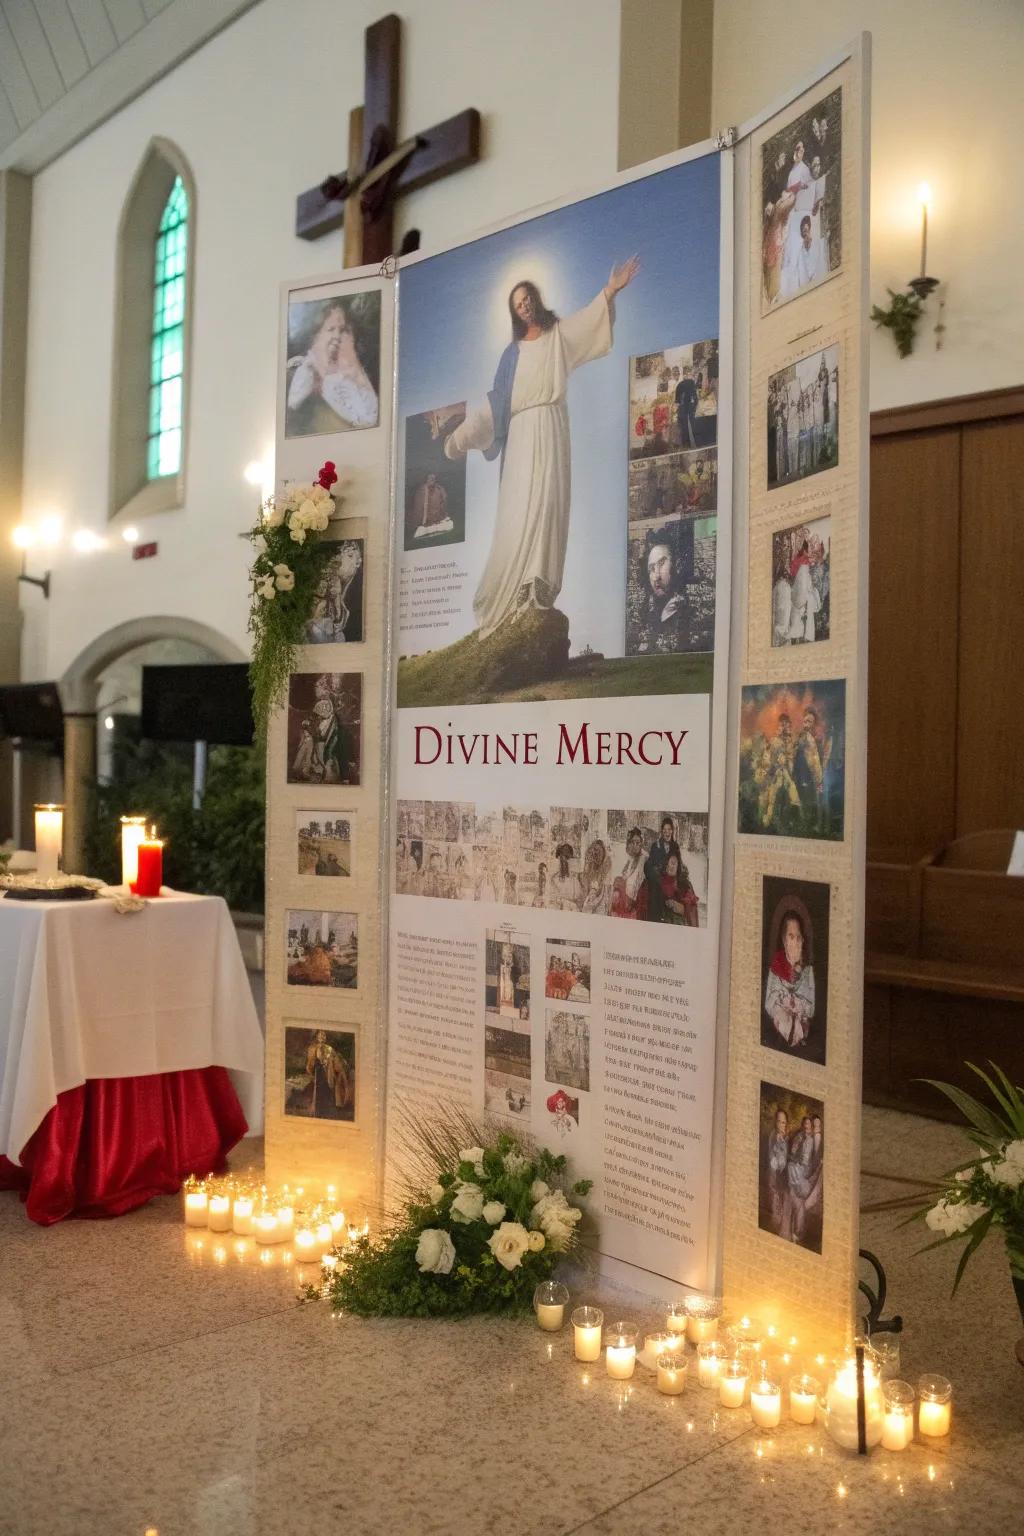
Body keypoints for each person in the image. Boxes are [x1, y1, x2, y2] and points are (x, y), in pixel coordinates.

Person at [445, 259, 640, 637]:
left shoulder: (557, 337)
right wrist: (459, 440)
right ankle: (509, 590)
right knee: (519, 511)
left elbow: (589, 322)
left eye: (528, 298)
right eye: (518, 304)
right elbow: (496, 403)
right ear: (514, 312)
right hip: (521, 435)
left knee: (550, 505)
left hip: (551, 429)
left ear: (536, 300)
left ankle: (537, 586)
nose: (525, 306)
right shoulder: (511, 354)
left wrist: (610, 290)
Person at [286, 300, 378, 433]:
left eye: (342, 330)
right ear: (316, 336)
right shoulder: (305, 371)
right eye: (330, 329)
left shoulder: (350, 374)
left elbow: (370, 419)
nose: (337, 336)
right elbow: (293, 408)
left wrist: (356, 372)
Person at [764, 909, 816, 1048]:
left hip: (802, 1033)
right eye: (791, 937)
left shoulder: (807, 971)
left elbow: (811, 1009)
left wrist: (797, 1004)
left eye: (798, 937)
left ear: (803, 940)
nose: (795, 942)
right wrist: (782, 1000)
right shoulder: (776, 966)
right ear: (784, 940)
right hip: (779, 1033)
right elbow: (769, 1005)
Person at [304, 1029, 352, 1118]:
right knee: (318, 1095)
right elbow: (310, 1064)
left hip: (328, 1075)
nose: (322, 1037)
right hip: (318, 1074)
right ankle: (318, 1113)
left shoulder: (330, 1049)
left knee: (328, 1093)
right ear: (317, 1036)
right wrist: (311, 1072)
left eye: (324, 1035)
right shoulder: (312, 1048)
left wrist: (340, 1069)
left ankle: (328, 1114)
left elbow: (337, 1064)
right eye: (320, 1035)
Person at [788, 540, 820, 643]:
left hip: (796, 594)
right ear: (805, 550)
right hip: (801, 594)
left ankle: (798, 636)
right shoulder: (804, 563)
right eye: (809, 548)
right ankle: (805, 636)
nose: (811, 551)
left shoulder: (798, 560)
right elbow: (805, 583)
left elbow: (794, 575)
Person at [612, 827, 646, 917]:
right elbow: (624, 876)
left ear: (641, 844)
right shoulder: (631, 858)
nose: (635, 845)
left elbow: (639, 883)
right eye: (632, 842)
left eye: (637, 843)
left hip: (634, 900)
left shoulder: (643, 859)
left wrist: (631, 901)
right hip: (625, 896)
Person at [766, 1108, 790, 1233]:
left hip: (784, 1177)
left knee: (784, 1201)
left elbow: (787, 1156)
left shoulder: (786, 1138)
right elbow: (773, 1159)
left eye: (784, 1122)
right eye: (779, 1121)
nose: (782, 1124)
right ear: (776, 1122)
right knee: (776, 1202)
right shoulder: (774, 1136)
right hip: (775, 1175)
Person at [411, 472, 452, 539]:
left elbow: (443, 503)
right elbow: (419, 507)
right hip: (425, 519)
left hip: (437, 516)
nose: (432, 480)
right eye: (430, 479)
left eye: (433, 479)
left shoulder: (439, 489)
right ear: (426, 480)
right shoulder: (422, 490)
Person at [579, 838, 612, 914]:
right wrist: (587, 863)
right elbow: (586, 881)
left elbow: (603, 886)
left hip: (602, 895)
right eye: (594, 850)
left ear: (603, 851)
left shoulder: (607, 862)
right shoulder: (591, 863)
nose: (595, 853)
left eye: (598, 850)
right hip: (592, 895)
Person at [550, 843, 582, 910]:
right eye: (563, 857)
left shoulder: (574, 880)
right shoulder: (554, 879)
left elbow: (577, 899)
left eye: (568, 858)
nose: (565, 861)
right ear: (559, 858)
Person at [675, 364, 699, 447]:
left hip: (683, 408)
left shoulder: (679, 385)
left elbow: (677, 401)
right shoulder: (692, 383)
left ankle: (686, 445)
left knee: (684, 427)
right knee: (693, 424)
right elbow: (695, 398)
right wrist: (695, 406)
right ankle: (696, 443)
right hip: (690, 407)